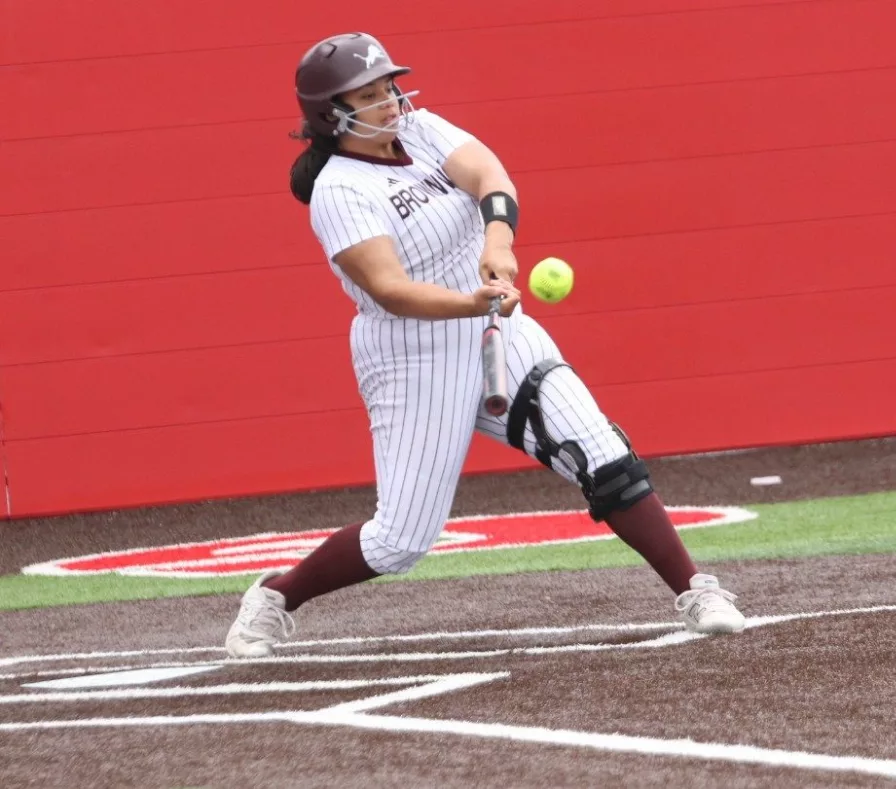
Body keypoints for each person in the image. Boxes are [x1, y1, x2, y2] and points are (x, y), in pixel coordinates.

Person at [225, 32, 745, 658]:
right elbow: (391, 289)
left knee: (603, 455)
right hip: (414, 355)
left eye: (388, 86)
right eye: (368, 96)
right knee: (399, 541)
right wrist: (473, 302)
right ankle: (277, 596)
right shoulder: (340, 190)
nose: (389, 102)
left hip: (501, 331)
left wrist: (498, 242)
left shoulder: (421, 130)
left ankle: (696, 590)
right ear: (329, 115)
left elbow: (488, 175)